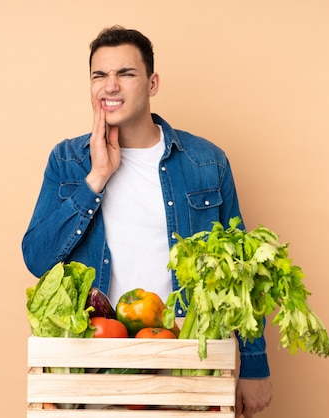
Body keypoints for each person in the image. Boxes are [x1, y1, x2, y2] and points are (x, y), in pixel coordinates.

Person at [22, 25, 273, 417]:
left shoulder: (206, 162)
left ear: (152, 83)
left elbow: (242, 275)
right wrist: (96, 179)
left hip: (189, 359)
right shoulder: (69, 161)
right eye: (99, 75)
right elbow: (37, 258)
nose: (111, 86)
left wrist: (254, 367)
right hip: (97, 359)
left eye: (126, 74)